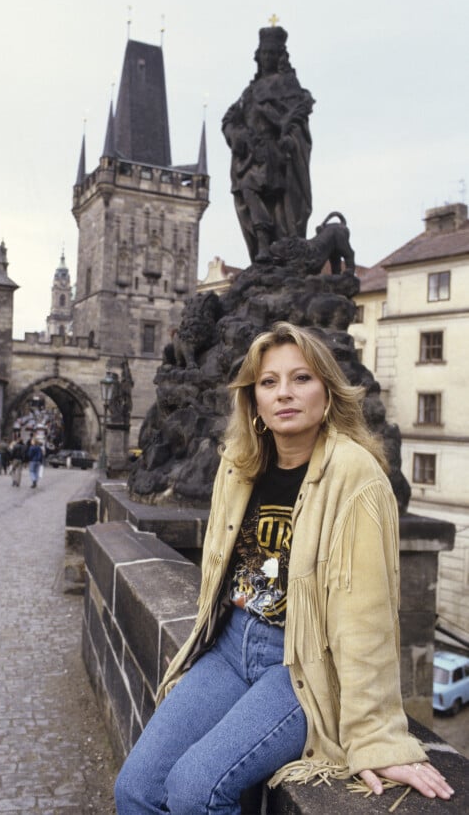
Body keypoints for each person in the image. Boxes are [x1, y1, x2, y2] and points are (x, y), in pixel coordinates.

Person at [115, 322, 454, 814]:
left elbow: (368, 619)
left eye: (302, 378)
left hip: (299, 663)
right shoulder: (239, 464)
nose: (284, 394)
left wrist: (377, 739)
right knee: (136, 790)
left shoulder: (357, 478)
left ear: (328, 391)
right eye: (268, 382)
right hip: (230, 647)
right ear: (253, 400)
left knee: (196, 789)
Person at [222, 25, 314, 262]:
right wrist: (236, 135)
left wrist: (289, 138)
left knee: (251, 186)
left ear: (280, 56)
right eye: (264, 53)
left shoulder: (288, 84)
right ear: (258, 55)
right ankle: (262, 243)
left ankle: (267, 243)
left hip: (275, 155)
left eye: (273, 53)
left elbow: (296, 119)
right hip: (251, 154)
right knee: (246, 188)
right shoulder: (249, 92)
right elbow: (229, 118)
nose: (268, 58)